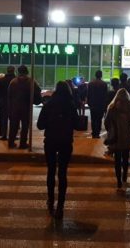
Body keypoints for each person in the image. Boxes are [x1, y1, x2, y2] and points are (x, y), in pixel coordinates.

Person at [37, 81, 77, 220]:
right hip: (66, 141)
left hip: (51, 141)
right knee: (63, 173)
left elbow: (40, 125)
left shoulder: (49, 105)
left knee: (51, 170)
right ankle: (60, 205)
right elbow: (77, 124)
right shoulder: (71, 106)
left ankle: (50, 200)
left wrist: (51, 123)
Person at [104, 88, 130, 190]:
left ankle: (118, 181)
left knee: (117, 159)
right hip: (127, 136)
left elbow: (106, 122)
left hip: (115, 137)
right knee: (125, 158)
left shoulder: (111, 107)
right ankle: (124, 177)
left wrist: (111, 131)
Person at [7, 65, 41, 149]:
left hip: (14, 107)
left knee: (13, 126)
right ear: (26, 71)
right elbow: (38, 92)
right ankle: (22, 143)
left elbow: (9, 95)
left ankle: (11, 142)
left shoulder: (13, 82)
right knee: (25, 126)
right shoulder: (31, 81)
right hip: (26, 107)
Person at [0, 66, 16, 140]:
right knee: (13, 120)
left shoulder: (1, 80)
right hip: (14, 102)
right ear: (14, 71)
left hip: (3, 102)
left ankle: (3, 135)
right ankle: (13, 136)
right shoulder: (16, 80)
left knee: (4, 119)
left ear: (7, 71)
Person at [86, 70, 109, 139]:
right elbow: (105, 96)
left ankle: (94, 132)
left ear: (95, 75)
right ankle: (97, 133)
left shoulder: (90, 83)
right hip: (100, 105)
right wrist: (105, 105)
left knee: (93, 119)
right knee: (99, 119)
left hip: (93, 104)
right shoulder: (104, 84)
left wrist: (89, 103)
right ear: (101, 75)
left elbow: (88, 94)